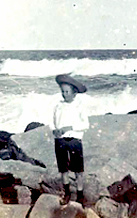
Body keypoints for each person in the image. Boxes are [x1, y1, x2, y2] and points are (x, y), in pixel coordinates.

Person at [52, 74, 89, 207]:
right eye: (62, 91)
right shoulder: (58, 106)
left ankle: (80, 195)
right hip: (61, 140)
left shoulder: (79, 106)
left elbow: (86, 125)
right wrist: (54, 130)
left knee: (78, 169)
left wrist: (70, 127)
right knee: (63, 169)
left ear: (74, 93)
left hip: (75, 140)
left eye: (67, 92)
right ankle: (67, 193)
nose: (64, 94)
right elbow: (54, 122)